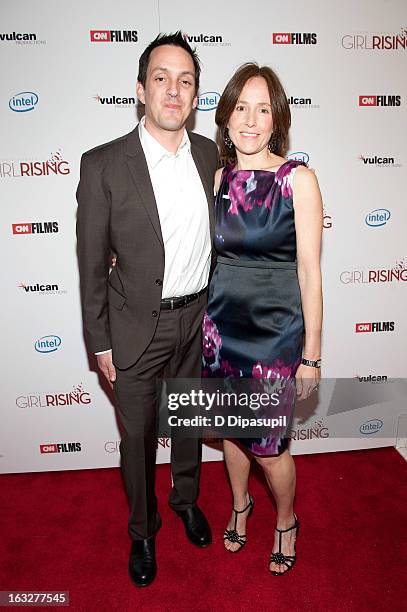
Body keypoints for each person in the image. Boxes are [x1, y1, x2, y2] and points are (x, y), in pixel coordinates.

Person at [76, 32, 218, 587]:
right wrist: (100, 342)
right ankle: (143, 530)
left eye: (185, 81)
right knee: (135, 440)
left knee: (187, 423)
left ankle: (186, 499)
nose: (173, 90)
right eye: (161, 78)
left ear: (195, 95)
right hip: (135, 325)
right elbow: (90, 263)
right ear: (141, 89)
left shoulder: (207, 155)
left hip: (195, 319)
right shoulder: (103, 165)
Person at [202, 63, 323, 575]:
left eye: (263, 109)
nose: (250, 120)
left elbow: (311, 274)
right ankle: (239, 505)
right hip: (220, 329)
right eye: (241, 108)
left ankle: (286, 520)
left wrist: (311, 356)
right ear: (226, 115)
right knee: (231, 432)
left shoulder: (299, 181)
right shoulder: (217, 177)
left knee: (269, 448)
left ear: (278, 120)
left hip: (276, 336)